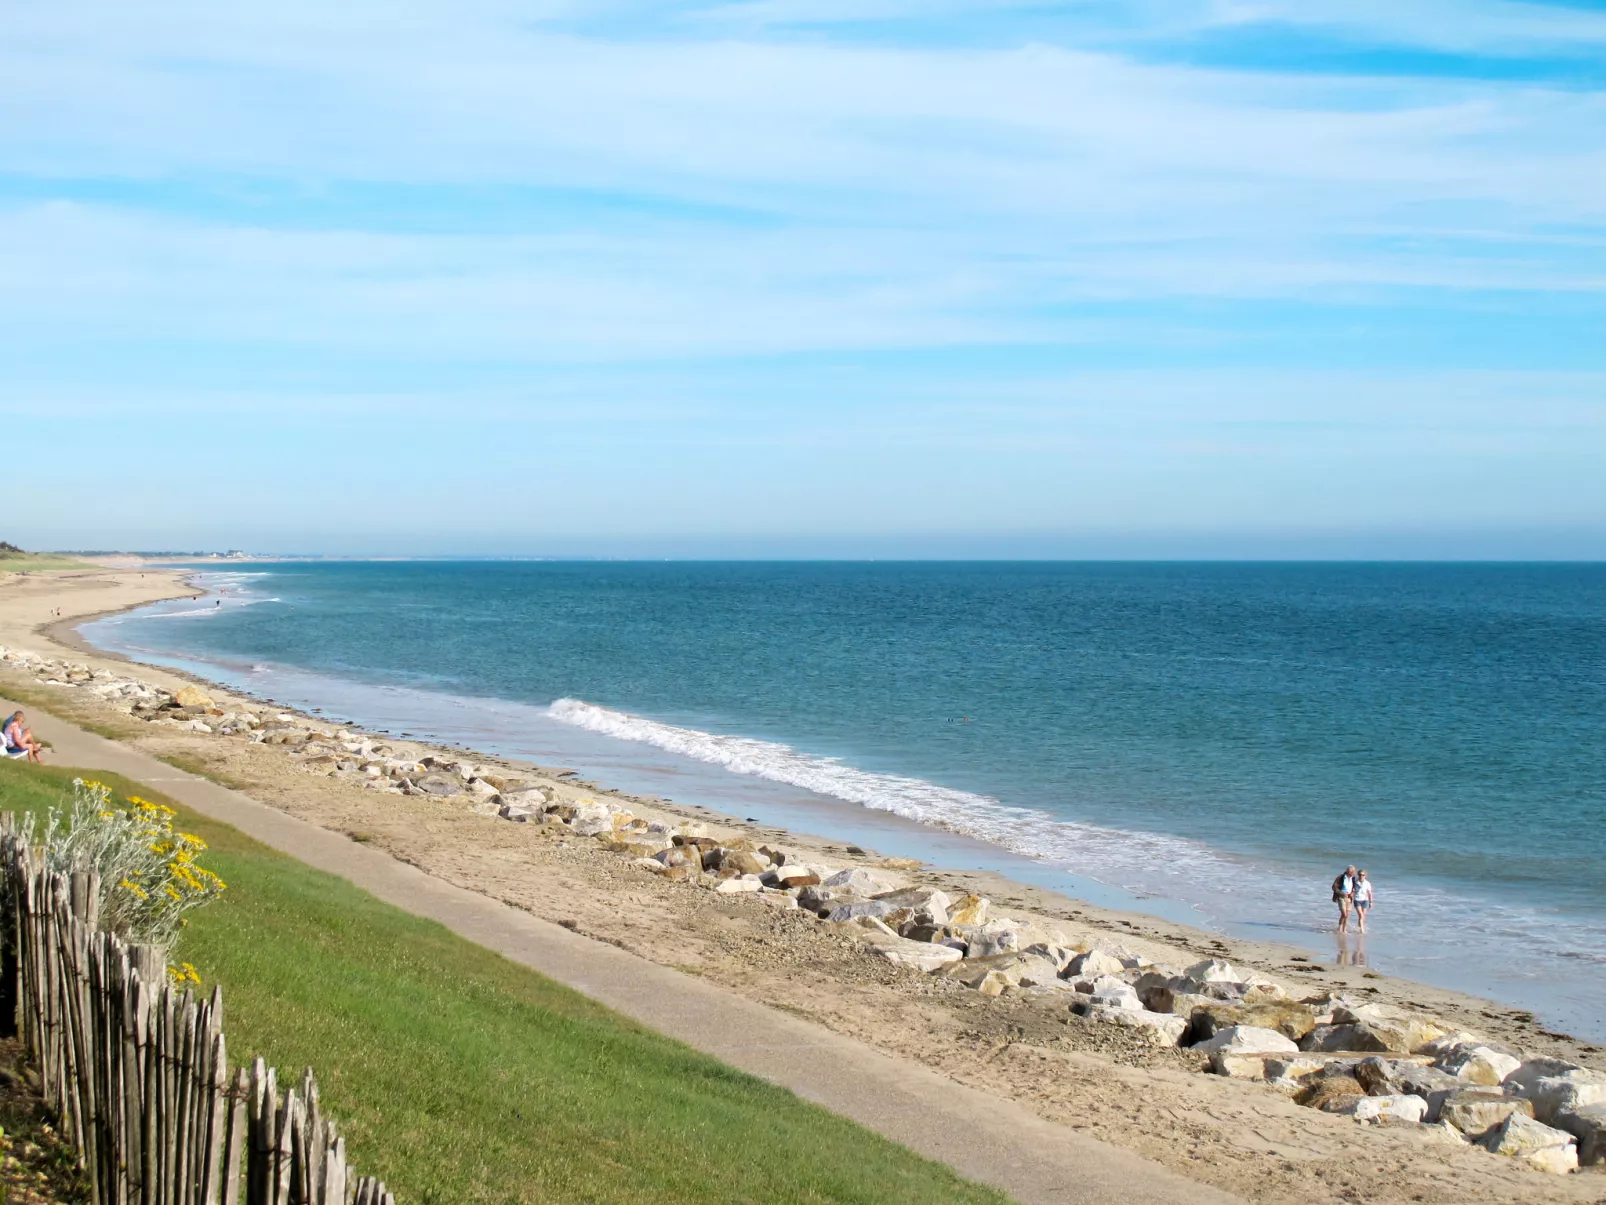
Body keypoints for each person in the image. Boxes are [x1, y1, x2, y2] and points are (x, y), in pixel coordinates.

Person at [1331, 864, 1357, 933]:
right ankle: (1339, 927)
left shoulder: (1353, 879)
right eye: (1352, 872)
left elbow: (1354, 888)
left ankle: (1344, 929)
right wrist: (1342, 893)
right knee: (1344, 914)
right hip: (1341, 897)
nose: (1354, 874)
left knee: (1347, 915)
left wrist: (1352, 893)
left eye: (1354, 872)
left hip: (1349, 898)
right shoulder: (1341, 877)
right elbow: (1334, 887)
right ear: (1349, 872)